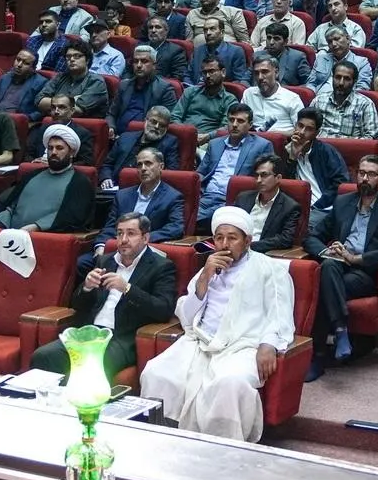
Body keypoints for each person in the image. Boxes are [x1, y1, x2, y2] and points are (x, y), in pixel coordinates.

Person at [139, 206, 297, 442]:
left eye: (232, 238)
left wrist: (269, 344)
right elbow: (187, 317)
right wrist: (205, 277)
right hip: (199, 341)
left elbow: (280, 313)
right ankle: (163, 442)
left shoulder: (269, 269)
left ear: (247, 241)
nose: (224, 244)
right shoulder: (209, 268)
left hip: (242, 345)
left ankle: (221, 450)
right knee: (157, 373)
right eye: (219, 238)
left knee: (229, 384)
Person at [28, 212, 178, 381]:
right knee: (43, 356)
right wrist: (86, 287)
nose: (123, 239)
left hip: (121, 339)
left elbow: (163, 309)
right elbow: (77, 306)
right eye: (120, 233)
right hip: (90, 333)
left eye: (131, 233)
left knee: (88, 368)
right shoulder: (105, 261)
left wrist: (127, 289)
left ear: (145, 238)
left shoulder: (161, 266)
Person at [305, 154, 378, 378]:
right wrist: (325, 252)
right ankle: (340, 330)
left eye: (371, 174)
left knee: (324, 285)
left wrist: (356, 259)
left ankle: (318, 356)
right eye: (361, 173)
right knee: (329, 267)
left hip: (365, 272)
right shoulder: (343, 202)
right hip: (337, 265)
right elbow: (312, 236)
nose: (364, 178)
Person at [104, 145, 186, 243]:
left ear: (161, 167)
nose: (143, 168)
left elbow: (176, 228)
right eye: (139, 165)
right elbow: (109, 227)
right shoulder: (122, 196)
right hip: (118, 245)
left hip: (148, 246)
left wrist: (141, 239)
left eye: (148, 163)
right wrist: (100, 245)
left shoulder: (172, 197)